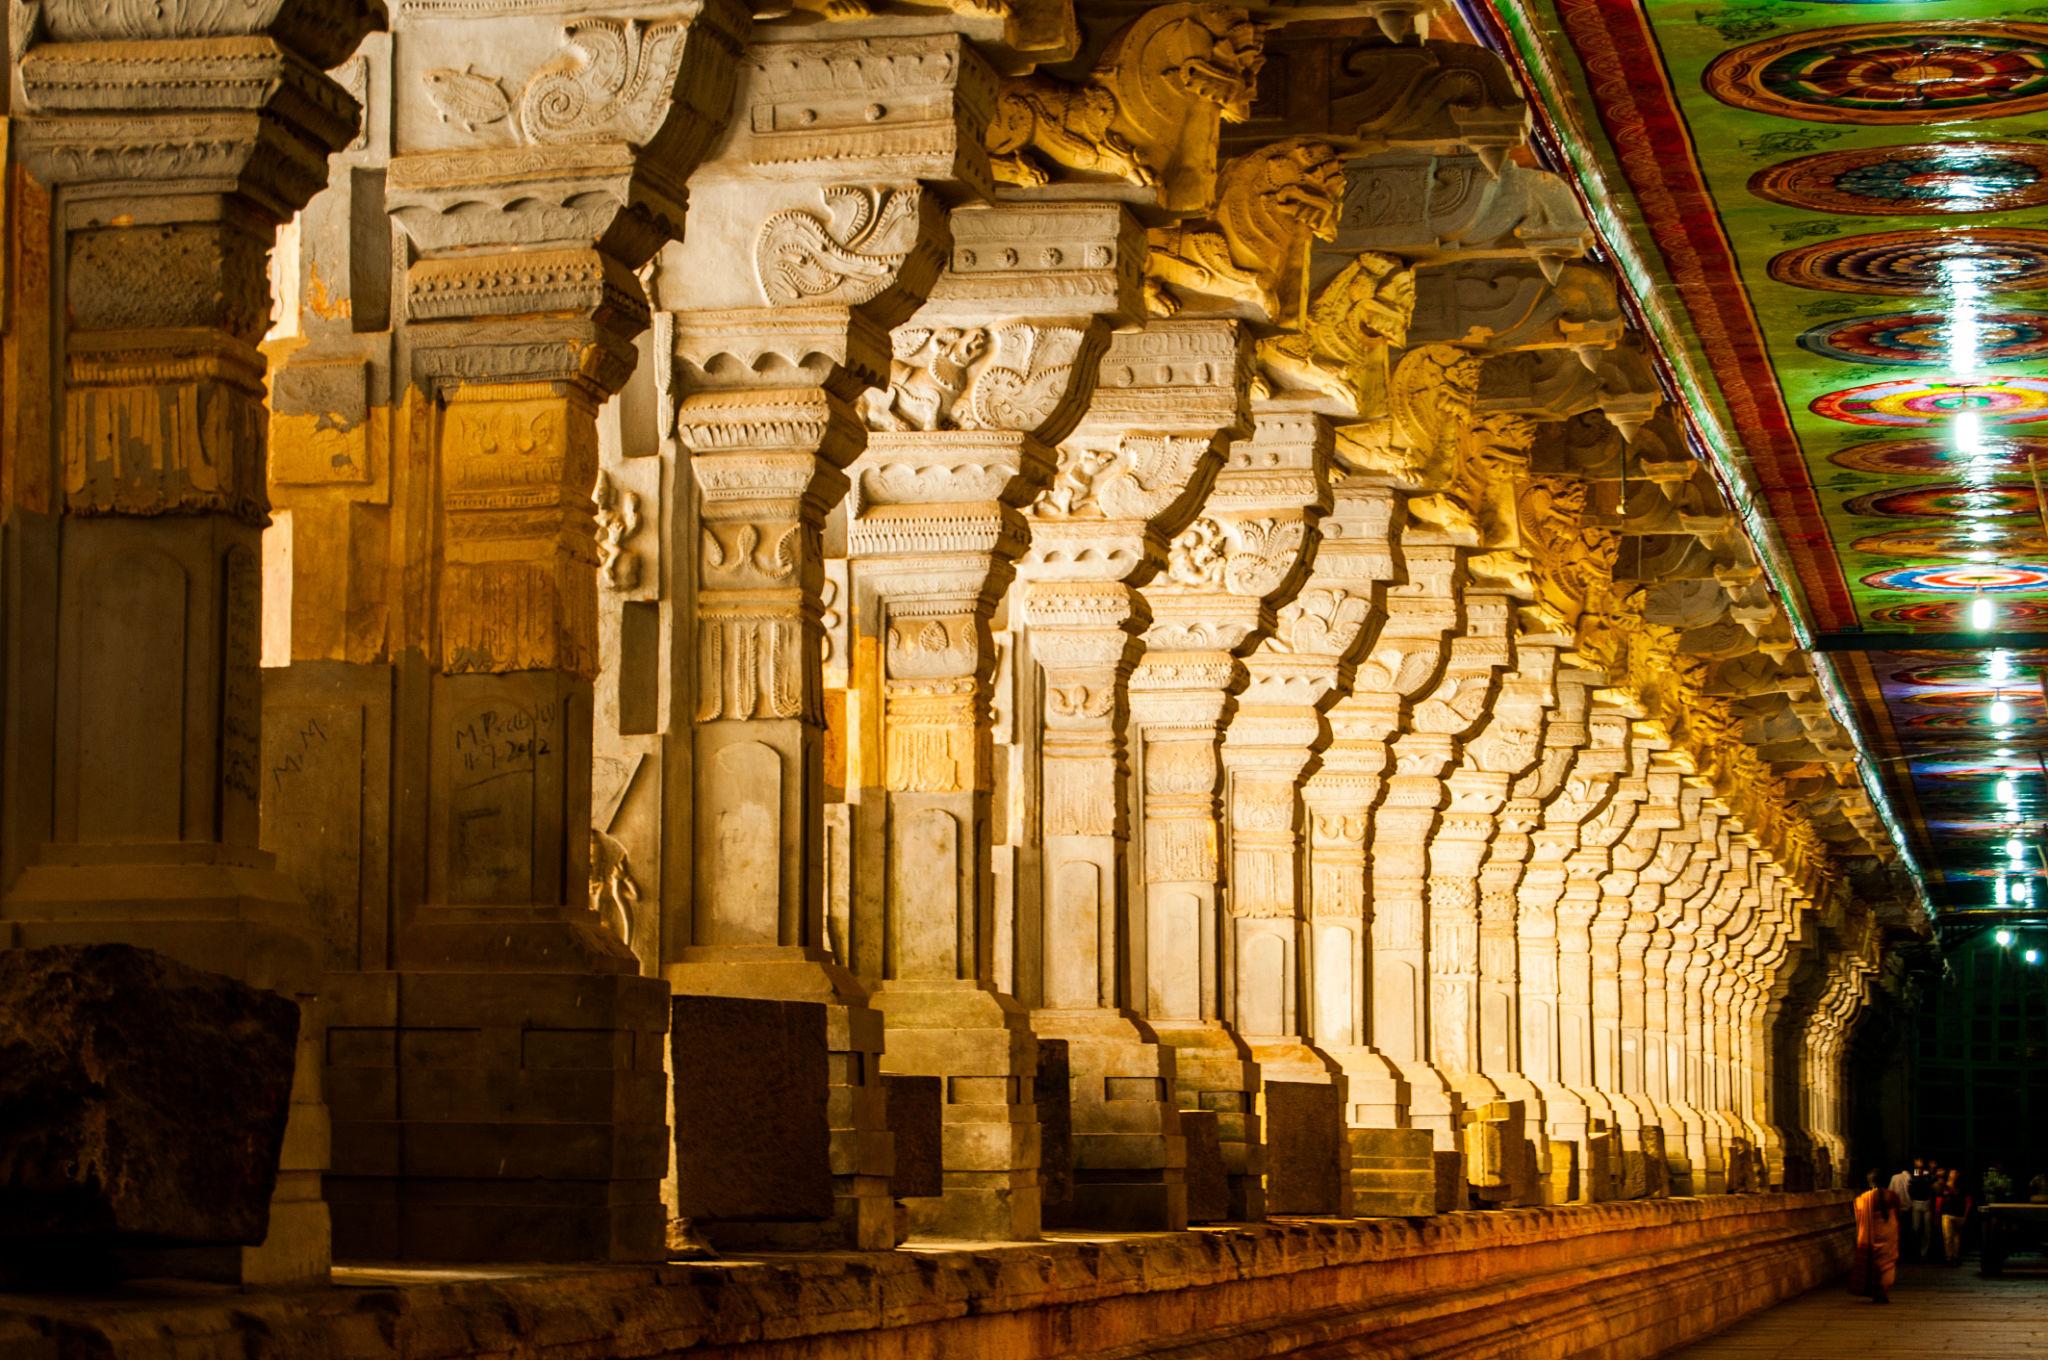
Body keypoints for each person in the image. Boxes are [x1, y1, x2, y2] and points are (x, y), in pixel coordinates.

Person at [1852, 1169, 1902, 1304]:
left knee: (1875, 1264)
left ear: (1870, 1182)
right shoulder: (1892, 1196)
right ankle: (1883, 1290)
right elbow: (1898, 1212)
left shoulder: (1865, 1198)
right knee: (1888, 1263)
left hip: (1873, 1233)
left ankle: (1877, 1292)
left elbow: (1858, 1208)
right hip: (1889, 1232)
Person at [1938, 1169, 1974, 1266]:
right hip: (1946, 1214)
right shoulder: (1944, 1185)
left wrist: (1965, 1216)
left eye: (1954, 1173)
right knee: (1948, 1237)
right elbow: (1939, 1197)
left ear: (1958, 1175)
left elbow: (1968, 1201)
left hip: (1958, 1214)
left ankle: (1956, 1256)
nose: (1951, 1174)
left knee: (1957, 1238)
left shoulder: (1962, 1186)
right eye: (1950, 1172)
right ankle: (1949, 1257)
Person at [1906, 1158, 1937, 1261]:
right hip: (1917, 1202)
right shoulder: (1913, 1173)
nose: (1920, 1162)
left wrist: (1930, 1172)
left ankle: (1924, 1252)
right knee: (1916, 1228)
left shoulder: (1925, 1172)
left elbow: (1930, 1180)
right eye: (1918, 1161)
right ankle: (1916, 1251)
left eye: (1921, 1161)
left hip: (1925, 1202)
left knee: (1927, 1229)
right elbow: (1915, 1182)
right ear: (1914, 1163)